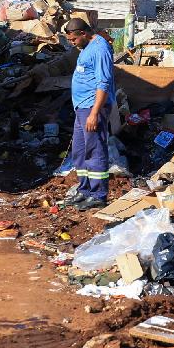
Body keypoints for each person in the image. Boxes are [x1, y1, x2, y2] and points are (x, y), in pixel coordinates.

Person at [62, 18, 115, 210]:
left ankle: (98, 194)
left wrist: (94, 113)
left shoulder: (100, 49)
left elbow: (104, 83)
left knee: (95, 150)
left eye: (73, 39)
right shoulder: (87, 48)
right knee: (80, 150)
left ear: (83, 33)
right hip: (82, 107)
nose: (72, 43)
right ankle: (85, 190)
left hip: (93, 108)